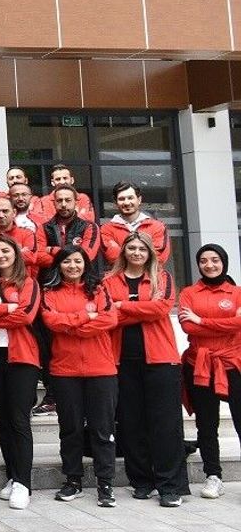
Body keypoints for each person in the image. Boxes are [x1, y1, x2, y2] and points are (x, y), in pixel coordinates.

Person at [103, 231, 185, 505]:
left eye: (142, 249)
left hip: (161, 359)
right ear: (123, 252)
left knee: (166, 425)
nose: (137, 253)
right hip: (122, 360)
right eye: (132, 248)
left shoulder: (163, 278)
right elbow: (108, 317)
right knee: (131, 423)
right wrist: (140, 309)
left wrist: (123, 305)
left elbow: (161, 309)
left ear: (150, 253)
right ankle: (141, 481)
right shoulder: (108, 281)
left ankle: (169, 486)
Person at [42, 247, 118, 507]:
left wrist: (72, 326)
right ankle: (72, 480)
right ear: (59, 265)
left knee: (102, 429)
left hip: (101, 369)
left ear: (86, 264)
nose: (72, 266)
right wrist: (87, 316)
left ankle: (105, 483)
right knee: (70, 429)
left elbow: (109, 320)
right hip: (65, 370)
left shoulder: (99, 290)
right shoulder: (50, 293)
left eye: (77, 261)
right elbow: (52, 322)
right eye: (67, 262)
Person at [0, 236, 40, 510]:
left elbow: (25, 316)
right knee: (2, 419)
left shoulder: (29, 283)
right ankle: (12, 476)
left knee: (19, 420)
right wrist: (5, 308)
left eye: (5, 251)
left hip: (22, 358)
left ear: (15, 253)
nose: (1, 255)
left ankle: (23, 483)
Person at [179, 244, 241, 501]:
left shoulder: (237, 292)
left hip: (233, 364)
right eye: (203, 261)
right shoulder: (189, 293)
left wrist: (202, 320)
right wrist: (226, 324)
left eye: (215, 260)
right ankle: (213, 475)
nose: (209, 265)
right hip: (200, 365)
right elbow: (188, 328)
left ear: (224, 262)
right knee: (206, 424)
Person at [99, 181, 170, 266]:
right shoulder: (106, 230)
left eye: (130, 198)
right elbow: (113, 257)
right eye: (121, 199)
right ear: (115, 202)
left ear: (139, 200)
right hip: (121, 275)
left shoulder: (157, 227)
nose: (126, 203)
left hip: (151, 274)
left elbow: (159, 257)